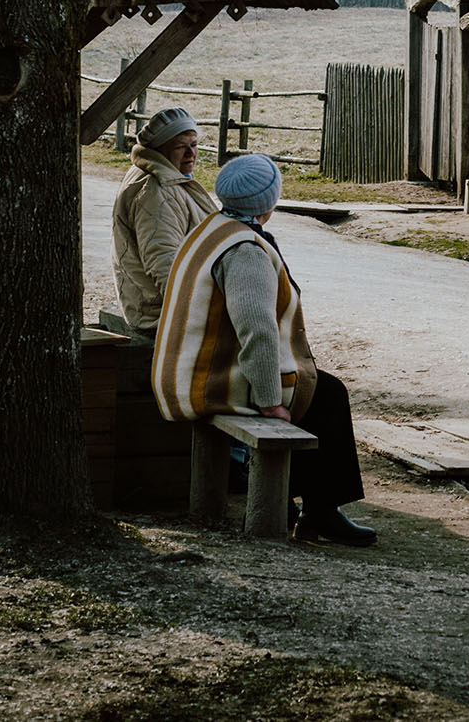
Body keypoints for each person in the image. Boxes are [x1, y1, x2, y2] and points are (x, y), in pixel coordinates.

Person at [151, 153, 376, 546]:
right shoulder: (245, 251)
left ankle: (301, 503)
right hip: (209, 381)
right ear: (269, 201)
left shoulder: (215, 227)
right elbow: (257, 330)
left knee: (318, 392)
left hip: (187, 371)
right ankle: (321, 511)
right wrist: (271, 401)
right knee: (327, 396)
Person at [110, 107, 219, 338]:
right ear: (160, 148)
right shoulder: (156, 193)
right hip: (162, 316)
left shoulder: (164, 177)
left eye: (194, 144)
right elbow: (165, 264)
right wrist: (197, 317)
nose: (191, 153)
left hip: (169, 309)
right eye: (181, 146)